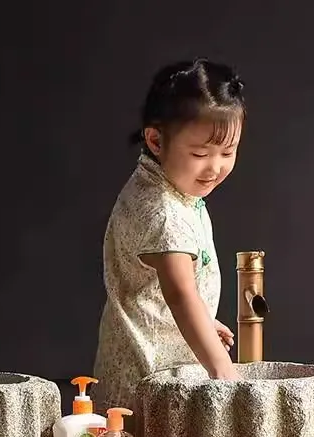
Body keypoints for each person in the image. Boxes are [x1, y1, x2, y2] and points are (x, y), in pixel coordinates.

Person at [92, 57, 245, 418]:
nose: (215, 167)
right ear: (156, 140)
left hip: (153, 373)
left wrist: (205, 320)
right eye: (199, 153)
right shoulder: (163, 211)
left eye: (228, 152)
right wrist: (224, 372)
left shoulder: (168, 190)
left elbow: (159, 288)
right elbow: (179, 293)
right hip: (147, 387)